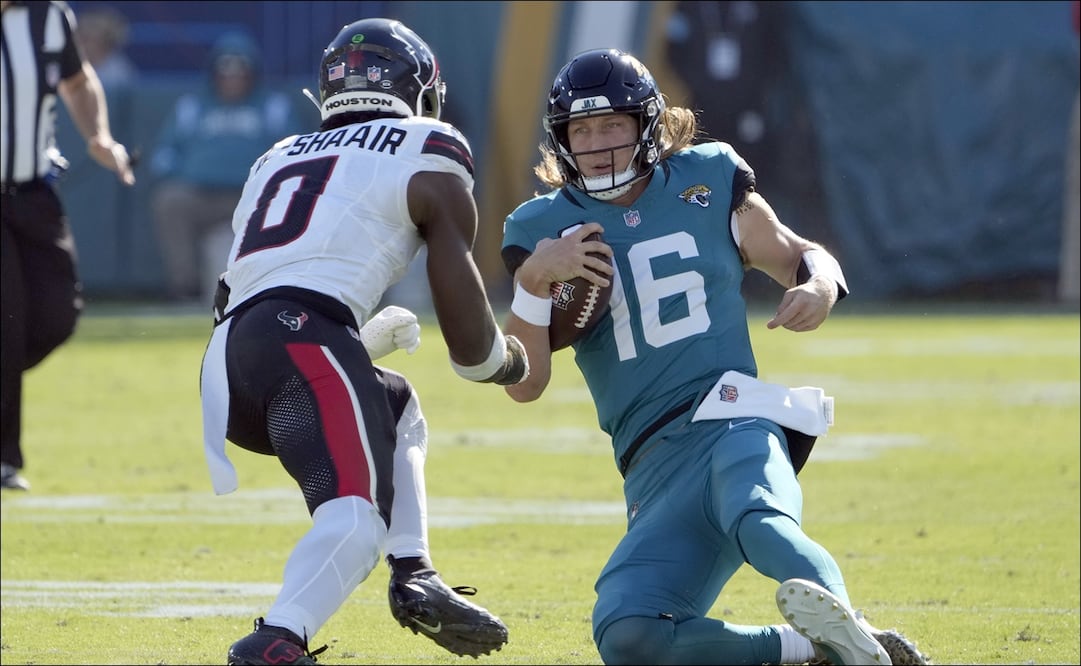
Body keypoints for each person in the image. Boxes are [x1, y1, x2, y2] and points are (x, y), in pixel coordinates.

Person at [500, 48, 928, 665]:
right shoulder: (540, 226)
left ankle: (851, 632)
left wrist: (820, 285)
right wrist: (535, 281)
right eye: (581, 130)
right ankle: (812, 649)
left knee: (756, 516)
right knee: (629, 635)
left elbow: (798, 253)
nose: (596, 144)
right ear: (562, 139)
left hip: (731, 413)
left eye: (612, 125)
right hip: (651, 463)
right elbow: (525, 383)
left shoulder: (706, 178)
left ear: (646, 125)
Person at [198, 18, 529, 665]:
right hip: (304, 336)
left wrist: (346, 348)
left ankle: (415, 574)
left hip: (228, 355)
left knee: (396, 404)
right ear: (421, 91)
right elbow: (469, 348)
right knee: (352, 518)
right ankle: (276, 639)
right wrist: (506, 361)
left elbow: (247, 291)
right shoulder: (428, 141)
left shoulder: (276, 156)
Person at [1, 0, 135, 492]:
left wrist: (98, 136)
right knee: (7, 322)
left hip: (34, 191)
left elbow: (77, 82)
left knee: (57, 315)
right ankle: (3, 459)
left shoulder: (49, 16)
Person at [150, 30, 303, 304]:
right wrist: (185, 171)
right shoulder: (192, 106)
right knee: (170, 199)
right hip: (201, 196)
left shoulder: (273, 106)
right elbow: (164, 154)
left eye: (239, 71)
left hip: (254, 198)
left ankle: (280, 287)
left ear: (251, 72)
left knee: (289, 201)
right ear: (215, 73)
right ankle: (184, 287)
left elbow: (294, 155)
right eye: (226, 72)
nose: (232, 79)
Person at [73, 5, 136, 92]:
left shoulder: (120, 73)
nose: (82, 44)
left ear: (104, 42)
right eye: (81, 36)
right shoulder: (71, 67)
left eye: (87, 39)